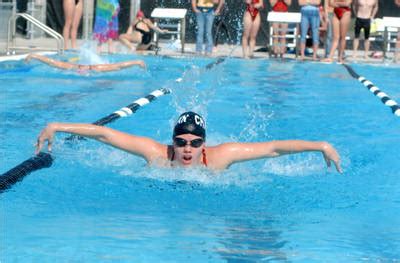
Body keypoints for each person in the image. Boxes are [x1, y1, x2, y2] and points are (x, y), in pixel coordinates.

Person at [35, 111, 342, 172]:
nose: (187, 148)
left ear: (204, 145)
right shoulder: (157, 154)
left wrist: (321, 145)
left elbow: (274, 148)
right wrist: (56, 125)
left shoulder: (222, 156)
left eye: (195, 144)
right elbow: (105, 133)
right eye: (181, 141)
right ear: (172, 141)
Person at [25, 53, 146, 72]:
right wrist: (34, 56)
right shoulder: (72, 67)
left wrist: (136, 61)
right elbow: (52, 62)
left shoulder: (96, 68)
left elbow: (118, 66)